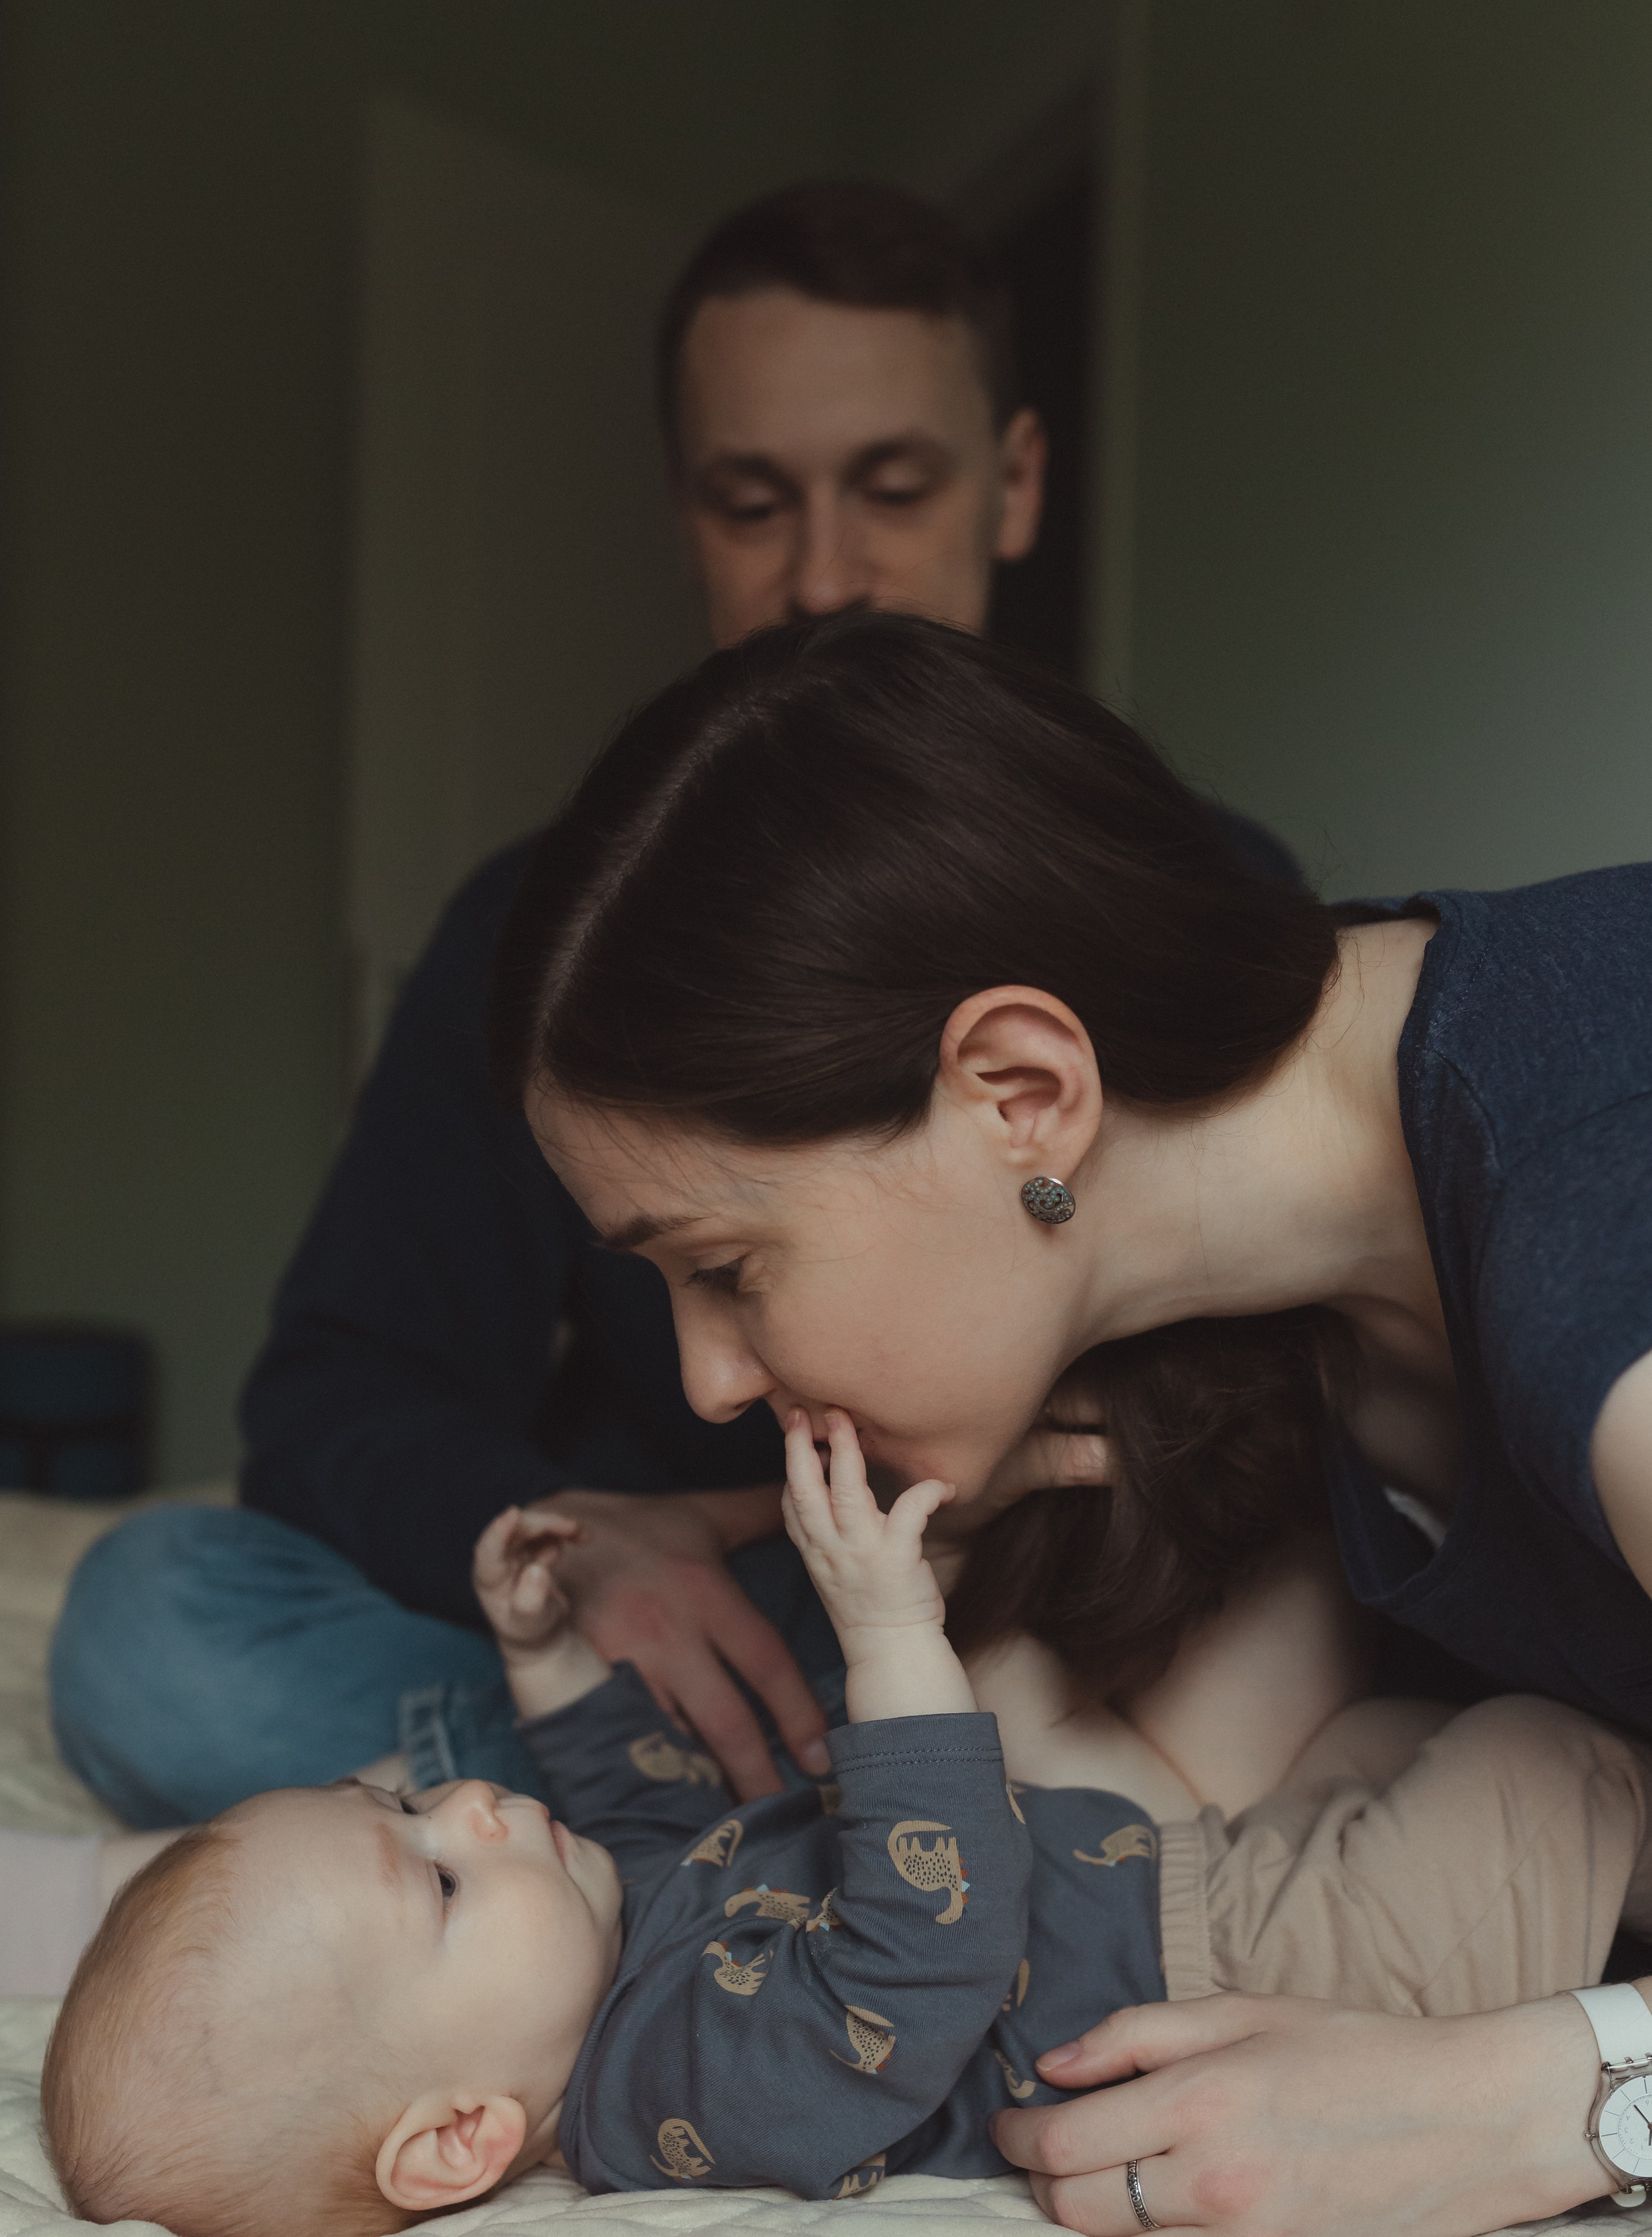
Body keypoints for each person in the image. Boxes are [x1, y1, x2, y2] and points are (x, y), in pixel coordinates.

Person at [21, 181, 1294, 1989]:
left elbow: (1272, 1427)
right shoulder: (549, 945)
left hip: (1032, 1621)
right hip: (676, 1643)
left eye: (893, 486)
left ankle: (681, 1860)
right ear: (682, 508)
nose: (825, 573)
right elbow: (335, 1385)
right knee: (155, 1626)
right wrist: (584, 1556)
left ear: (1015, 484)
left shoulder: (1190, 896)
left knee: (1239, 1661)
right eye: (750, 502)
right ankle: (779, 1851)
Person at [478, 607, 1652, 2237]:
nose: (707, 1382)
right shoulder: (1283, 1246)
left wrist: (1519, 2108)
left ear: (1021, 1093)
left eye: (726, 1269)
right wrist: (721, 1525)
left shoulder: (1594, 1245)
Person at [41, 1412, 1652, 2237]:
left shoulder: (596, 1977)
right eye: (439, 1877)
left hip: (1188, 1868)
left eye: (401, 1799)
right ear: (464, 2137)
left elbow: (645, 1813)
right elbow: (919, 1952)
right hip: (1243, 1967)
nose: (464, 1806)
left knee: (1390, 1743)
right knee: (1552, 1762)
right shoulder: (677, 2095)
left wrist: (544, 1663)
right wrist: (888, 1644)